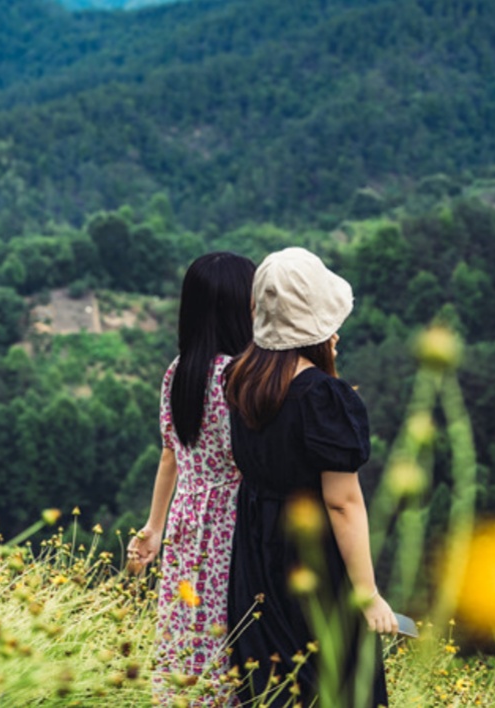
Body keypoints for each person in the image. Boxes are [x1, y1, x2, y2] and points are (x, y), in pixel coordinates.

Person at [224, 247, 395, 707]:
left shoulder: (240, 379)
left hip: (255, 550)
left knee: (271, 682)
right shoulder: (323, 396)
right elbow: (342, 502)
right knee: (337, 681)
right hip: (311, 553)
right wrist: (367, 594)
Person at [128, 251, 256, 707]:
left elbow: (171, 453)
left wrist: (154, 526)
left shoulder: (179, 370)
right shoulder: (243, 377)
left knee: (186, 622)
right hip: (234, 517)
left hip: (186, 515)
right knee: (229, 622)